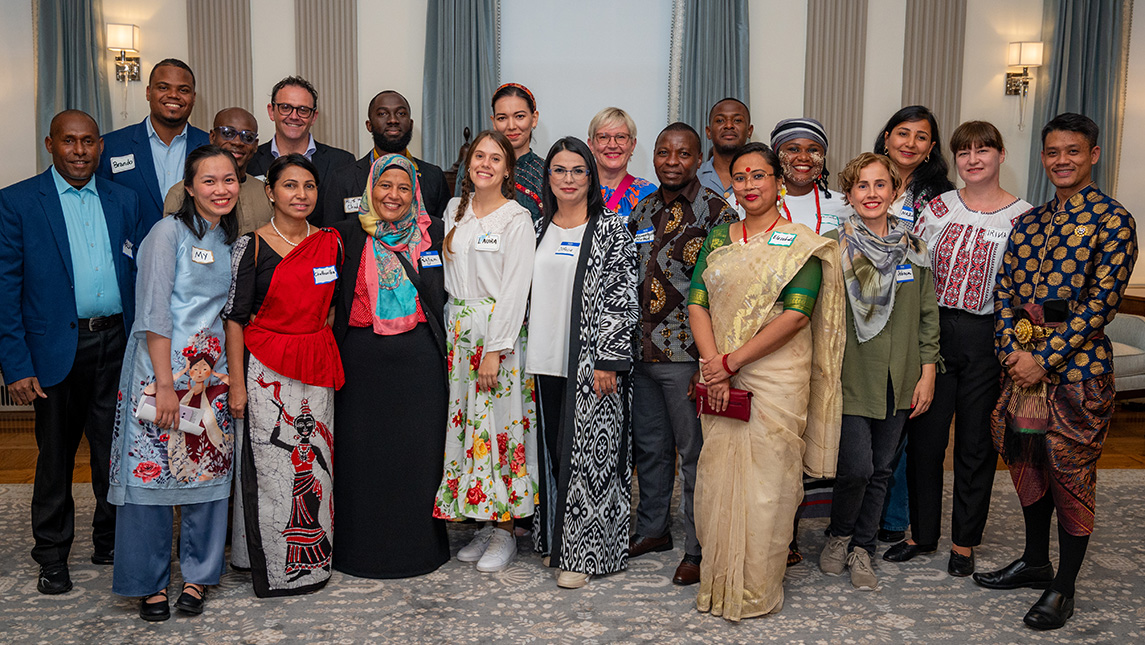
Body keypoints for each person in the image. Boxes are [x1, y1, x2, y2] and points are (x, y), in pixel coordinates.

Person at [974, 113, 1137, 631]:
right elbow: (1004, 295)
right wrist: (1009, 352)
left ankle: (1062, 587)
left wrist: (1042, 359)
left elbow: (1099, 305)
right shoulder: (1030, 222)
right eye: (1052, 152)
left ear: (1092, 155)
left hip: (1076, 374)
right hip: (1020, 372)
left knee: (1069, 474)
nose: (1061, 160)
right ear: (1042, 157)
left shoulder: (1114, 221)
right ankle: (1034, 560)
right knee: (1027, 466)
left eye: (1072, 151)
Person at [688, 142, 844, 620]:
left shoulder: (803, 242)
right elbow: (697, 302)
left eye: (759, 176)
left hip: (774, 376)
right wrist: (714, 362)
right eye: (740, 177)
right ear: (730, 185)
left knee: (769, 485)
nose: (750, 185)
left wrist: (731, 361)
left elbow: (796, 317)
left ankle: (755, 588)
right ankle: (717, 580)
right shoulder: (718, 239)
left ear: (779, 182)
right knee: (716, 477)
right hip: (719, 371)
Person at [0, 110, 143, 595]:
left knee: (113, 452)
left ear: (101, 146)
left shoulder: (123, 199)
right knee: (55, 458)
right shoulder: (18, 202)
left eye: (88, 142)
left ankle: (109, 540)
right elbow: (6, 290)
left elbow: (141, 273)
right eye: (69, 142)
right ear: (50, 144)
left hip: (117, 345)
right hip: (53, 351)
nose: (80, 151)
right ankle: (53, 555)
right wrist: (15, 366)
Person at [884, 121, 1031, 576]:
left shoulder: (1024, 216)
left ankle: (965, 541)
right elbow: (913, 271)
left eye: (983, 150)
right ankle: (921, 534)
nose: (973, 159)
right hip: (935, 333)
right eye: (963, 152)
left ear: (1001, 155)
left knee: (975, 444)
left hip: (989, 337)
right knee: (925, 441)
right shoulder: (938, 208)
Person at [107, 145, 240, 621]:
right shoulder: (167, 233)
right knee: (152, 480)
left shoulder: (231, 239)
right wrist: (165, 383)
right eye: (209, 180)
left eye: (229, 180)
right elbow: (153, 311)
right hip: (159, 375)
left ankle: (199, 577)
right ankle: (149, 583)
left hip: (210, 380)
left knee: (205, 475)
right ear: (188, 186)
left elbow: (229, 314)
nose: (220, 189)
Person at [222, 154, 342, 596]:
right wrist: (237, 382)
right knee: (270, 465)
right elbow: (235, 318)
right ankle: (264, 561)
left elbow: (331, 307)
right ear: (270, 192)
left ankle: (317, 562)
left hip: (316, 366)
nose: (301, 194)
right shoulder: (251, 245)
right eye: (290, 186)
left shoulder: (331, 243)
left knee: (317, 468)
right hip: (265, 366)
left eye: (308, 186)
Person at [818, 152, 939, 591]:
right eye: (862, 186)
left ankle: (862, 548)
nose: (872, 193)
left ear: (895, 190)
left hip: (901, 375)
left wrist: (927, 373)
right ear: (848, 195)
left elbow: (928, 316)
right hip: (851, 375)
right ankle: (838, 535)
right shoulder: (832, 247)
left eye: (880, 184)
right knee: (856, 468)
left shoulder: (915, 249)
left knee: (884, 469)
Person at [626, 123, 739, 585]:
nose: (672, 161)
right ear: (653, 157)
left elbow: (727, 293)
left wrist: (710, 364)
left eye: (683, 153)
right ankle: (653, 529)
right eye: (663, 152)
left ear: (699, 159)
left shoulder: (717, 213)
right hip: (641, 352)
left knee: (695, 454)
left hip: (687, 355)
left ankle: (697, 545)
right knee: (650, 449)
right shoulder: (643, 207)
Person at [329, 154, 450, 578]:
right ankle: (358, 552)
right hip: (361, 365)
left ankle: (419, 551)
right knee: (361, 458)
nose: (393, 195)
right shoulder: (344, 235)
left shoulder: (433, 233)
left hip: (420, 366)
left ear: (415, 191)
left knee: (418, 459)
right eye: (385, 186)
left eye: (403, 187)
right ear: (370, 189)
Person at [528, 137, 638, 589]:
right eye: (560, 170)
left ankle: (585, 553)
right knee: (553, 453)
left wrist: (609, 359)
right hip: (540, 360)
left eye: (578, 171)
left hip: (593, 365)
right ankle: (554, 538)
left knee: (594, 459)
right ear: (547, 177)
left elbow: (621, 297)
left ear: (591, 178)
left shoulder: (611, 228)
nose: (568, 179)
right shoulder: (536, 228)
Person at [433, 130, 538, 573]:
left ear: (508, 170)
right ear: (469, 162)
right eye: (480, 156)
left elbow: (516, 288)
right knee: (468, 430)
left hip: (498, 335)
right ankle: (483, 519)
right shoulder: (453, 210)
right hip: (458, 333)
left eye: (496, 158)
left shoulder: (517, 218)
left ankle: (507, 529)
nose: (486, 164)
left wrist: (495, 349)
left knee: (500, 429)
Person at [871, 105, 954, 543]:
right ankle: (861, 511)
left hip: (916, 312)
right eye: (902, 133)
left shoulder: (942, 199)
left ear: (931, 149)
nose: (909, 143)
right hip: (865, 316)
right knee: (871, 424)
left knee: (904, 424)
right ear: (886, 137)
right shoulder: (865, 180)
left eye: (921, 137)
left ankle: (893, 517)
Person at [98, 59, 210, 230]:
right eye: (163, 87)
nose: (173, 95)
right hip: (133, 253)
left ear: (193, 98)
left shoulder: (211, 147)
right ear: (148, 92)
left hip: (197, 252)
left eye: (183, 90)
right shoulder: (111, 147)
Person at [321, 90, 450, 224]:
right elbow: (332, 236)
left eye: (401, 113)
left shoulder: (434, 177)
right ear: (369, 125)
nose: (393, 120)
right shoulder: (342, 179)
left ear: (411, 124)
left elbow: (443, 234)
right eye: (382, 114)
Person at [245, 76, 355, 225]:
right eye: (285, 108)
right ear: (272, 111)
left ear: (314, 117)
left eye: (303, 110)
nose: (294, 116)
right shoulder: (250, 161)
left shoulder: (342, 162)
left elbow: (348, 224)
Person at [162, 107, 272, 235]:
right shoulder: (181, 193)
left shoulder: (266, 193)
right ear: (213, 137)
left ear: (255, 145)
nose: (238, 142)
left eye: (247, 137)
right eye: (228, 133)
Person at [455, 83, 545, 222]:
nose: (511, 126)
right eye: (502, 118)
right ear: (494, 122)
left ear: (534, 119)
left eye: (519, 116)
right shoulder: (474, 166)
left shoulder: (544, 172)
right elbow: (458, 216)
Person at [770, 117, 851, 234]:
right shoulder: (759, 201)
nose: (803, 157)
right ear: (776, 155)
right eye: (794, 149)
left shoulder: (843, 204)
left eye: (813, 150)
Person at [587, 107, 656, 222]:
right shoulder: (576, 190)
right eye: (603, 137)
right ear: (591, 145)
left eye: (621, 137)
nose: (613, 145)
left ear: (632, 145)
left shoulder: (648, 195)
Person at [697, 97, 753, 216]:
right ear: (708, 132)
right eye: (720, 120)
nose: (728, 125)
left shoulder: (761, 179)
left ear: (749, 131)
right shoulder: (694, 177)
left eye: (737, 120)